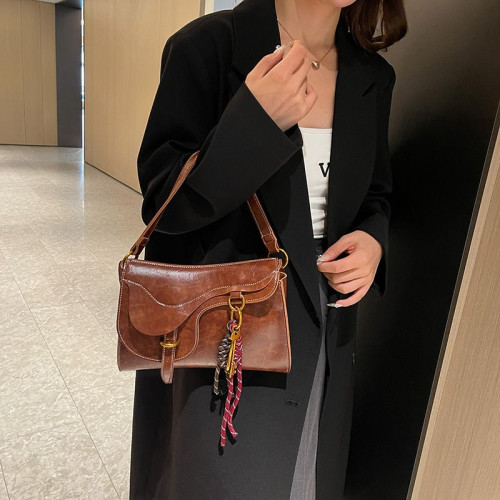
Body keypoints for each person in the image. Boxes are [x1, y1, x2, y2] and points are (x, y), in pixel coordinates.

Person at [130, 0, 407, 498]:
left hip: (329, 329)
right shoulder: (208, 47)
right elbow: (162, 204)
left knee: (308, 478)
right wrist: (255, 121)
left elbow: (376, 195)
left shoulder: (372, 76)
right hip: (230, 330)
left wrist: (373, 240)